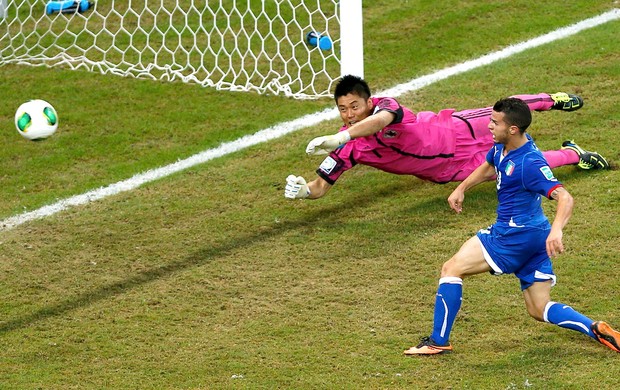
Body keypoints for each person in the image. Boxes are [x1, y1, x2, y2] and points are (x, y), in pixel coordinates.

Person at [403, 97, 620, 356]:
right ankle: (595, 328)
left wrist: (557, 229)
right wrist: (462, 188)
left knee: (452, 268)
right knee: (539, 309)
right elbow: (489, 167)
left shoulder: (530, 163)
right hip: (534, 237)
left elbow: (565, 196)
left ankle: (438, 341)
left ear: (513, 129)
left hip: (512, 236)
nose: (489, 126)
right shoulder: (502, 146)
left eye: (495, 123)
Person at [284, 75, 609, 200]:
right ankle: (575, 155)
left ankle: (552, 99)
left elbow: (379, 122)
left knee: (504, 109)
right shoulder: (349, 147)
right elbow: (321, 186)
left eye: (354, 106)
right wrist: (303, 192)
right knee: (517, 169)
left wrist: (341, 137)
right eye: (343, 109)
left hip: (456, 130)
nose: (349, 114)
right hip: (447, 172)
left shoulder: (386, 107)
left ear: (368, 101)